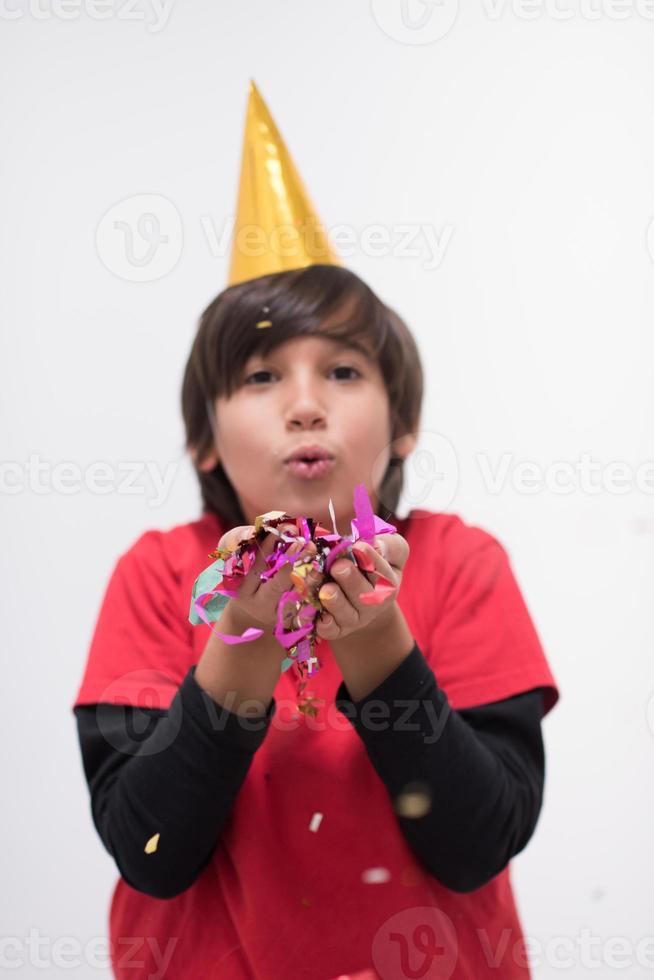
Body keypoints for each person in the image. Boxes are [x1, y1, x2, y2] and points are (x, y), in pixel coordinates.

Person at [72, 81, 560, 980]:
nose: (304, 406)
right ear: (203, 438)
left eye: (341, 370)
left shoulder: (462, 564)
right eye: (260, 377)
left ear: (403, 422)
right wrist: (240, 646)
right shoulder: (153, 574)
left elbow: (480, 842)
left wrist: (379, 644)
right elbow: (149, 849)